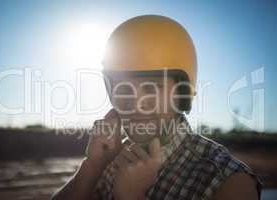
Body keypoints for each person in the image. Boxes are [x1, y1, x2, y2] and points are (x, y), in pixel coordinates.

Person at [52, 15, 262, 200]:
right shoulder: (111, 157)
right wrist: (92, 165)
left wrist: (131, 197)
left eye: (153, 88)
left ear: (181, 94)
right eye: (123, 90)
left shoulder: (228, 181)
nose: (136, 103)